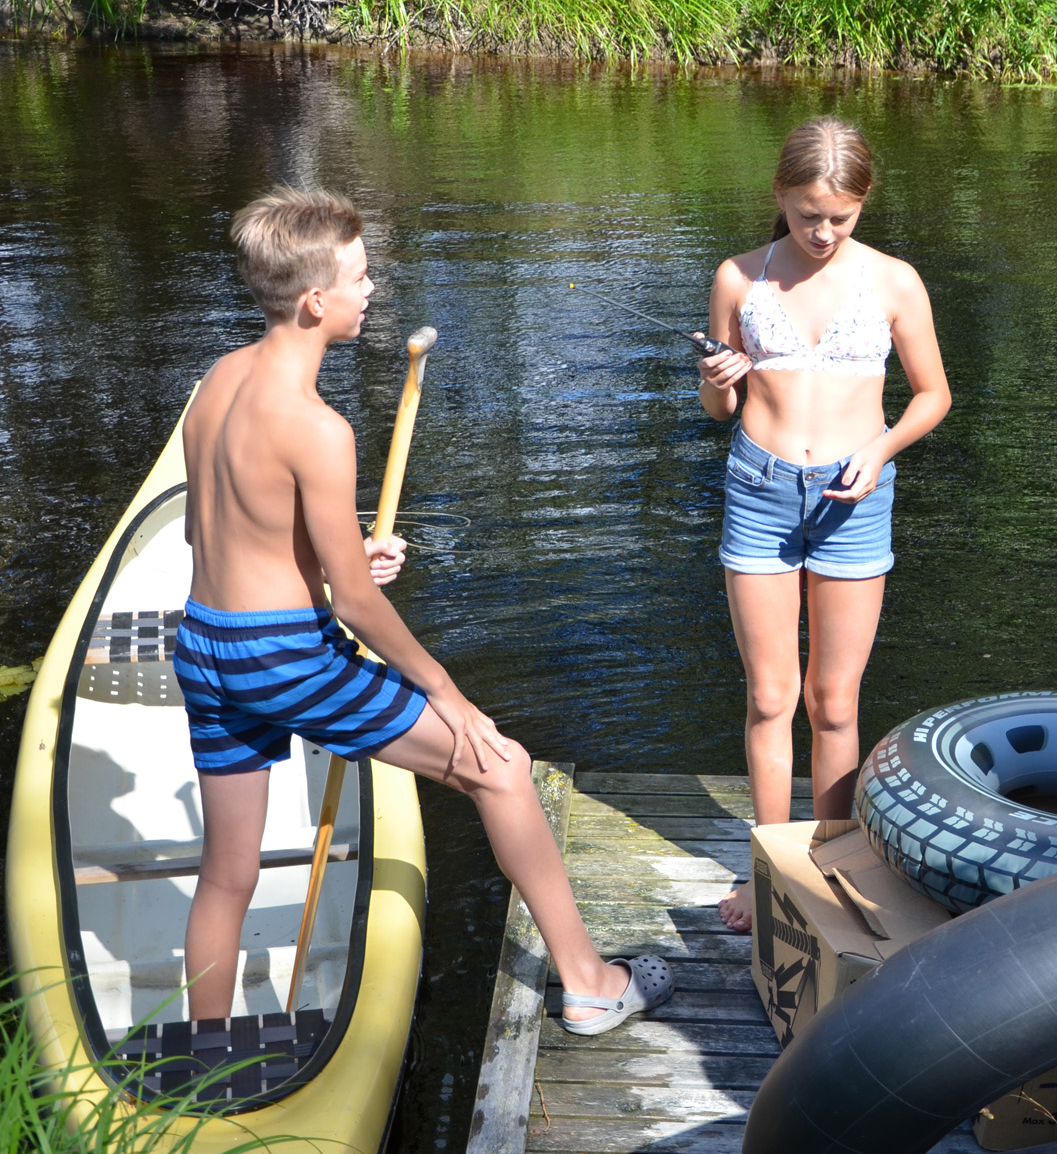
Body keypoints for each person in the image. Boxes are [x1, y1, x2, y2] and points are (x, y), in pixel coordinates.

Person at [175, 187, 670, 1036]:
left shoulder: (217, 381)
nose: (372, 289)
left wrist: (333, 560)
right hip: (283, 656)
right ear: (315, 300)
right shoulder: (317, 427)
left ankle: (204, 1061)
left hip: (205, 642)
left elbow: (208, 533)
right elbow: (356, 604)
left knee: (226, 873)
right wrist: (450, 693)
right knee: (500, 765)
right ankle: (590, 983)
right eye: (360, 277)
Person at [694, 119, 952, 934]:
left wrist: (879, 451)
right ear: (780, 195)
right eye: (808, 215)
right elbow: (719, 409)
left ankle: (835, 863)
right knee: (771, 695)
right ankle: (769, 868)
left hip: (855, 496)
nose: (823, 231)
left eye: (841, 216)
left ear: (862, 204)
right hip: (760, 490)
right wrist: (719, 377)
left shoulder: (895, 281)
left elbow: (934, 395)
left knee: (834, 702)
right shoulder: (739, 277)